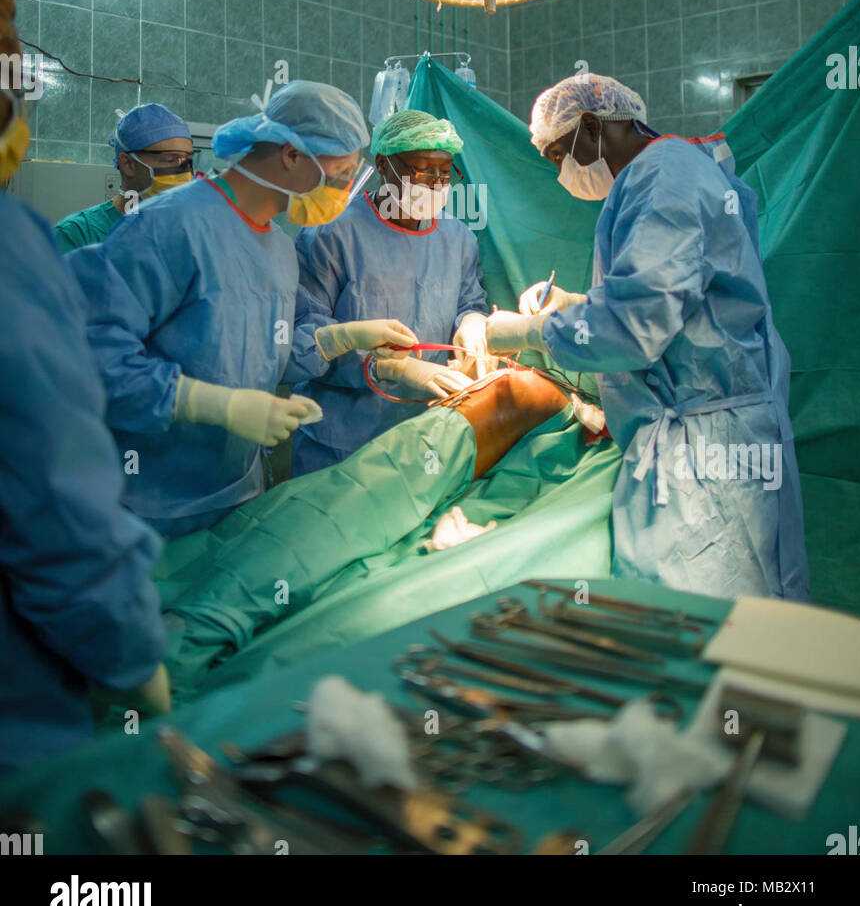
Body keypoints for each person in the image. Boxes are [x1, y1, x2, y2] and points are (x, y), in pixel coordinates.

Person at [484, 71, 810, 603]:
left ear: (590, 127)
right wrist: (578, 305)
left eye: (557, 155)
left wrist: (529, 331)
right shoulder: (677, 169)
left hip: (703, 454)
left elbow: (637, 324)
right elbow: (675, 300)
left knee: (701, 624)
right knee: (749, 620)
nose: (560, 172)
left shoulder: (661, 177)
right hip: (714, 430)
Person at [67, 81, 415, 537]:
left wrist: (340, 337)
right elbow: (90, 353)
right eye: (338, 175)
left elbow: (256, 354)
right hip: (145, 504)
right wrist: (215, 405)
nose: (345, 192)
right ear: (291, 155)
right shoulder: (171, 225)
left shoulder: (278, 248)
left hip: (237, 492)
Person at [0, 0, 168, 773]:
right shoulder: (53, 241)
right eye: (160, 166)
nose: (175, 176)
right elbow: (48, 465)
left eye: (186, 165)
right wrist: (131, 654)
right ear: (124, 163)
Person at [289, 108, 491, 476]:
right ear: (384, 166)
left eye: (444, 173)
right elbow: (304, 340)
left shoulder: (457, 237)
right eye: (421, 170)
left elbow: (469, 300)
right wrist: (385, 366)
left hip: (428, 431)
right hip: (344, 442)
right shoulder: (332, 235)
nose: (434, 183)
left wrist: (473, 321)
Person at [54, 102, 194, 252]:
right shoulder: (78, 235)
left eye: (188, 160)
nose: (185, 173)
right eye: (170, 160)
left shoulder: (189, 230)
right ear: (128, 164)